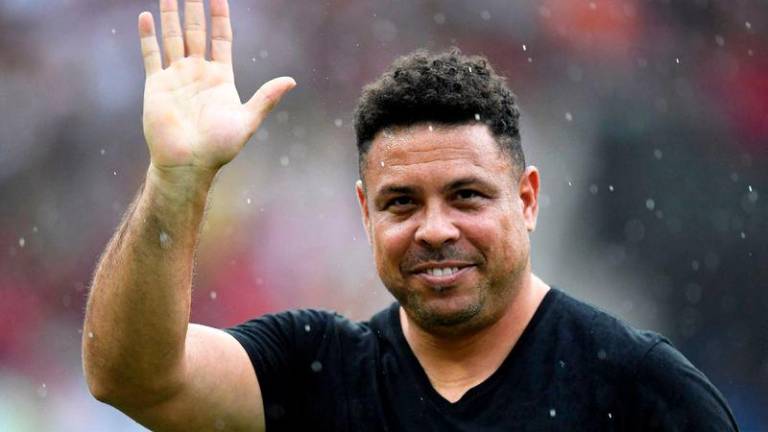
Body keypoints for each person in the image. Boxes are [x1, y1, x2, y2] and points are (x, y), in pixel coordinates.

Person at [82, 1, 739, 430]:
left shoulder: (643, 392)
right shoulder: (318, 369)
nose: (434, 229)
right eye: (402, 203)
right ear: (366, 216)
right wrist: (176, 182)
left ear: (528, 200)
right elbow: (131, 376)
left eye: (467, 196)